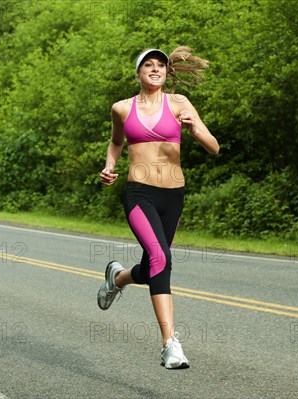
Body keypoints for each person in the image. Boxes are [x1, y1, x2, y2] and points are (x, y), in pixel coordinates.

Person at [97, 47, 219, 369]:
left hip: (173, 196)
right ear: (138, 72)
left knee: (153, 266)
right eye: (148, 65)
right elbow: (116, 142)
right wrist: (110, 165)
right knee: (161, 260)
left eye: (160, 66)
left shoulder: (178, 104)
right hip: (140, 193)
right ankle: (170, 344)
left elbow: (214, 146)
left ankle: (118, 278)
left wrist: (194, 130)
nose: (155, 70)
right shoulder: (122, 109)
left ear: (166, 73)